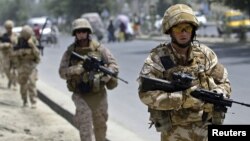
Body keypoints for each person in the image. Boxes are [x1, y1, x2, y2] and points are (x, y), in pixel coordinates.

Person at [137, 4, 232, 141]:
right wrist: (182, 99)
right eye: (177, 28)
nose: (183, 32)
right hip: (175, 132)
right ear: (170, 31)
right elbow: (145, 94)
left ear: (193, 30)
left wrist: (219, 92)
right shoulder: (158, 58)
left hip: (206, 128)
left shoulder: (205, 54)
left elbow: (224, 82)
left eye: (187, 28)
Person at [58, 18, 119, 141]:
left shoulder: (99, 49)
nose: (81, 34)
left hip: (98, 93)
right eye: (78, 31)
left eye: (83, 31)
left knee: (100, 125)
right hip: (80, 93)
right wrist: (76, 69)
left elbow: (113, 65)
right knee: (85, 125)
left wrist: (108, 75)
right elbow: (62, 72)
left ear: (88, 32)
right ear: (75, 34)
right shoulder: (70, 53)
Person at [12, 25, 41, 108]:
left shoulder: (33, 41)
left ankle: (33, 101)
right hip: (22, 66)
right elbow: (13, 53)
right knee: (23, 84)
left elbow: (38, 54)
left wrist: (33, 46)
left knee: (32, 84)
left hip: (31, 66)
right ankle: (24, 100)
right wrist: (21, 52)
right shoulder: (19, 41)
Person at [0, 20, 18, 89]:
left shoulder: (15, 35)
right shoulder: (3, 36)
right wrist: (5, 45)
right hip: (6, 55)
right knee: (6, 69)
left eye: (10, 27)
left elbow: (18, 44)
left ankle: (14, 84)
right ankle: (10, 80)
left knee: (15, 71)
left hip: (14, 54)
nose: (9, 29)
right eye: (8, 27)